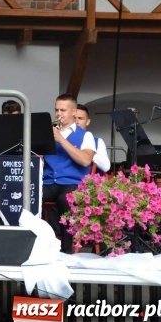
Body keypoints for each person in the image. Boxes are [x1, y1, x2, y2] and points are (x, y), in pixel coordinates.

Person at [43, 93, 96, 253]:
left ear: (74, 112)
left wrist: (61, 140)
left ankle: (66, 249)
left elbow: (86, 160)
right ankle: (38, 244)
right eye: (56, 110)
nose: (58, 114)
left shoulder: (86, 135)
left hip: (72, 183)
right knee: (30, 197)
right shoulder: (48, 133)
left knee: (65, 200)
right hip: (49, 182)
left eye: (63, 110)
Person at [75, 104, 111, 173]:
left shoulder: (97, 141)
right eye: (73, 118)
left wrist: (89, 152)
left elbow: (106, 167)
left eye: (80, 118)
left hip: (88, 182)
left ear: (87, 122)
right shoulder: (64, 138)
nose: (76, 122)